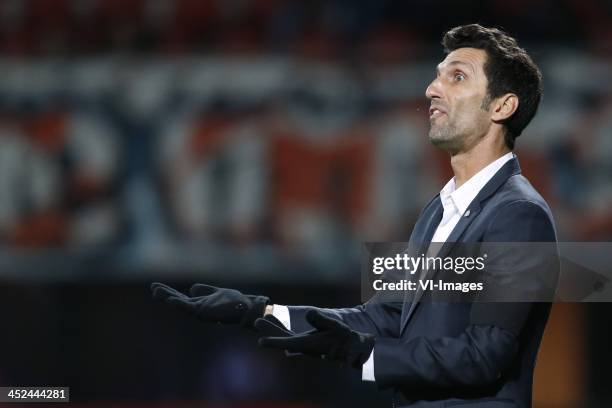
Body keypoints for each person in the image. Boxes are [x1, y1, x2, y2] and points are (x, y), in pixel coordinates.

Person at [152, 24, 558, 408]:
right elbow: (386, 314)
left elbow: (483, 355)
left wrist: (365, 353)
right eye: (437, 76)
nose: (432, 89)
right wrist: (260, 312)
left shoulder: (517, 215)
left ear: (503, 106)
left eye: (457, 77)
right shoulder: (440, 210)